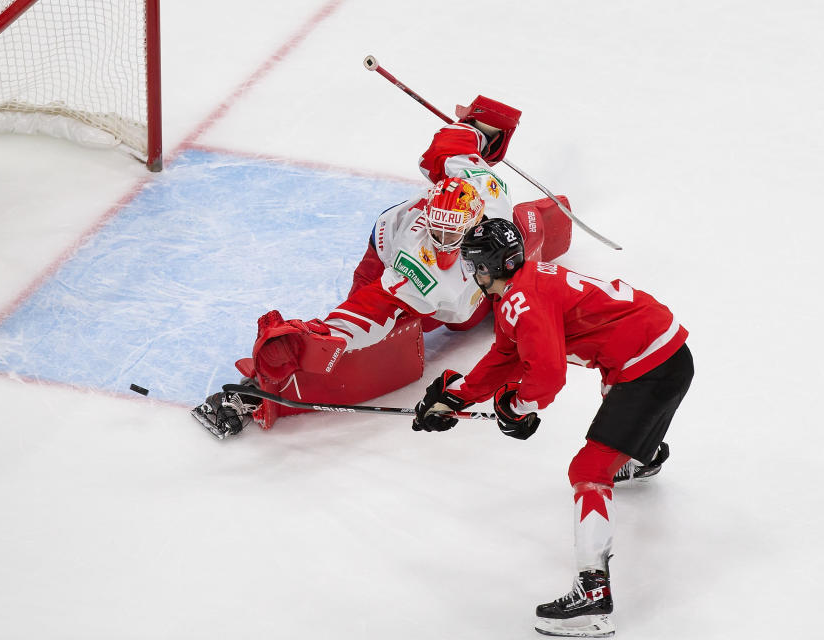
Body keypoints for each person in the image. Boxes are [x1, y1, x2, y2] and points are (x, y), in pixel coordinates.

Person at [192, 96, 573, 438]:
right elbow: (367, 312)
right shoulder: (421, 269)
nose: (442, 244)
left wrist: (479, 127)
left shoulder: (485, 187)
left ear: (479, 222)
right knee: (367, 355)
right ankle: (256, 395)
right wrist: (319, 338)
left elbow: (456, 146)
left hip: (467, 297)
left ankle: (550, 221)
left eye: (452, 237)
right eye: (437, 233)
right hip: (389, 265)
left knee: (527, 240)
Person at [412, 218, 693, 637]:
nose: (472, 274)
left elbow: (546, 375)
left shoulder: (521, 299)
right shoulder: (523, 286)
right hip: (661, 354)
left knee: (587, 471)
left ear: (489, 266)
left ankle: (593, 596)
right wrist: (459, 396)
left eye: (474, 265)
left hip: (649, 368)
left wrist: (517, 405)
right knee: (614, 397)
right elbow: (507, 353)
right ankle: (642, 454)